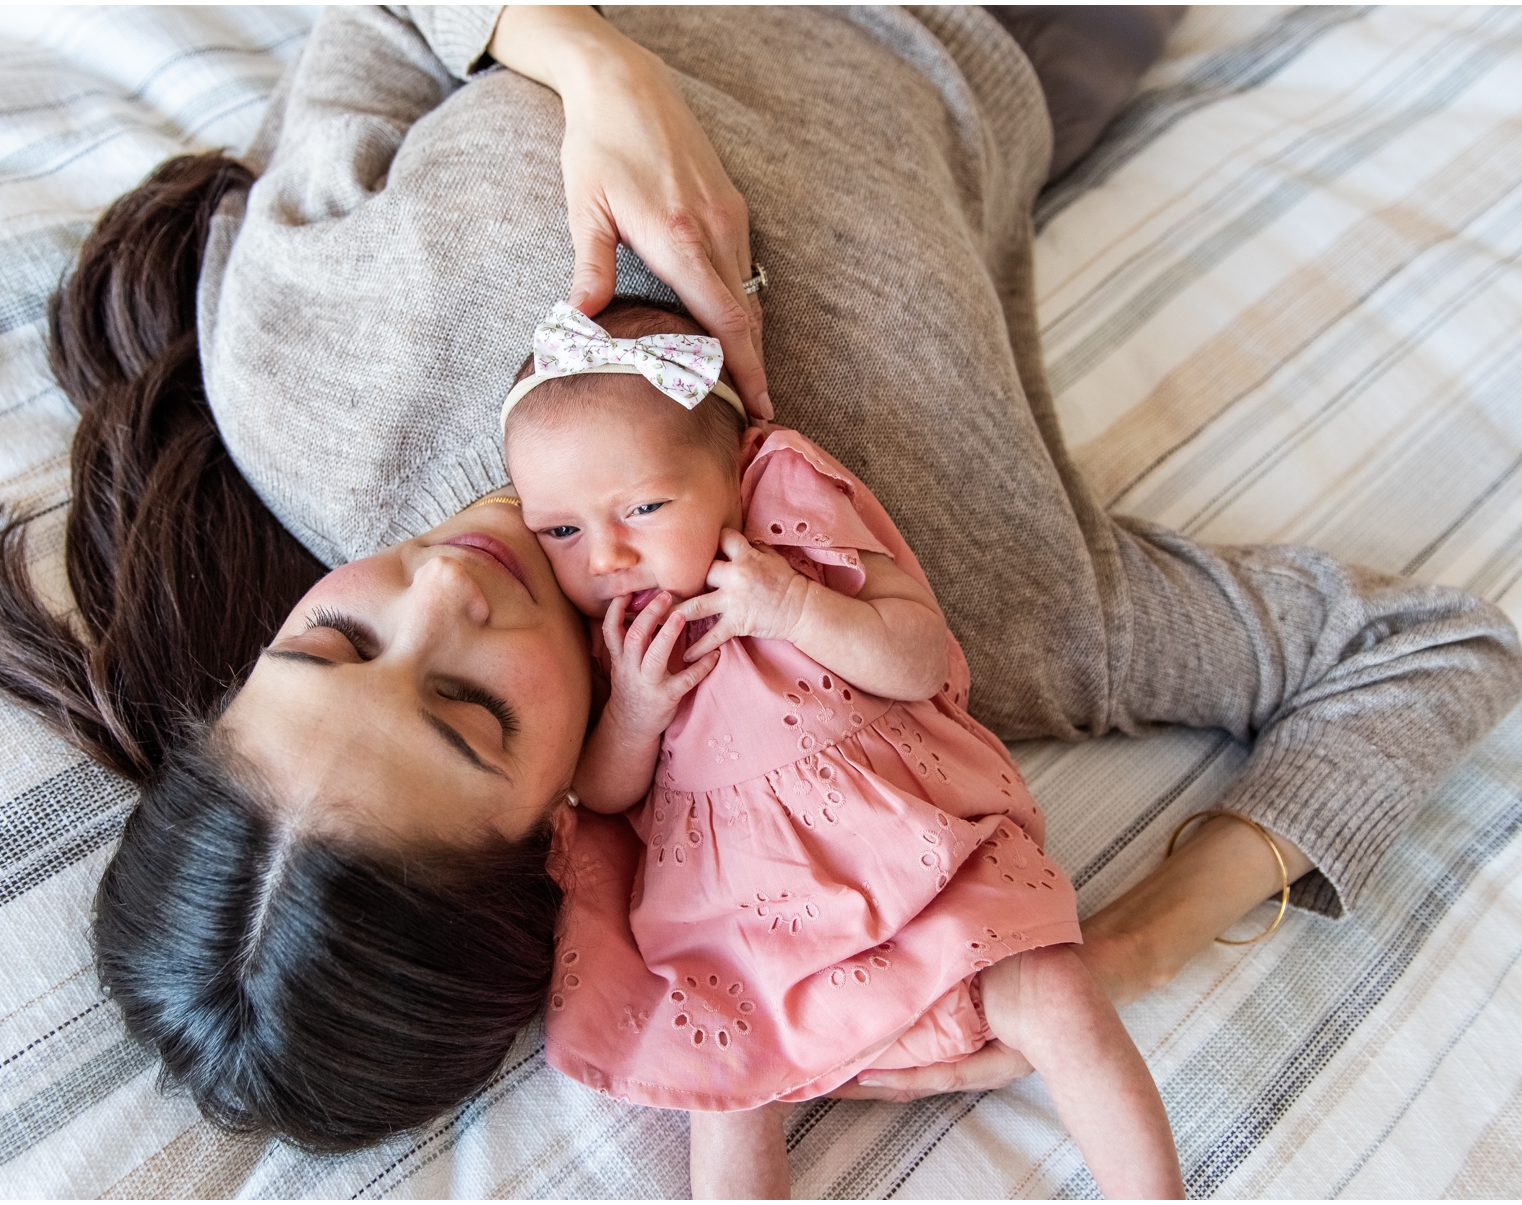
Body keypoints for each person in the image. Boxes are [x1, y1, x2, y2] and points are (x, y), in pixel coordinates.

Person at [0, 2, 1522, 1183]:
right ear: (564, 830)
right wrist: (1120, 947)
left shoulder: (302, 378)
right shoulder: (954, 606)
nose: (444, 582)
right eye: (469, 709)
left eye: (335, 638)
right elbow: (1423, 651)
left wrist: (584, 61)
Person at [502, 298, 1183, 1197]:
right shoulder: (609, 634)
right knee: (723, 1084)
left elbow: (919, 657)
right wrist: (633, 708)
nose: (605, 555)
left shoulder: (785, 503)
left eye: (643, 506)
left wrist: (793, 608)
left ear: (734, 466)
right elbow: (603, 794)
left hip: (910, 852)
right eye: (561, 530)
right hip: (735, 915)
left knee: (1055, 989)